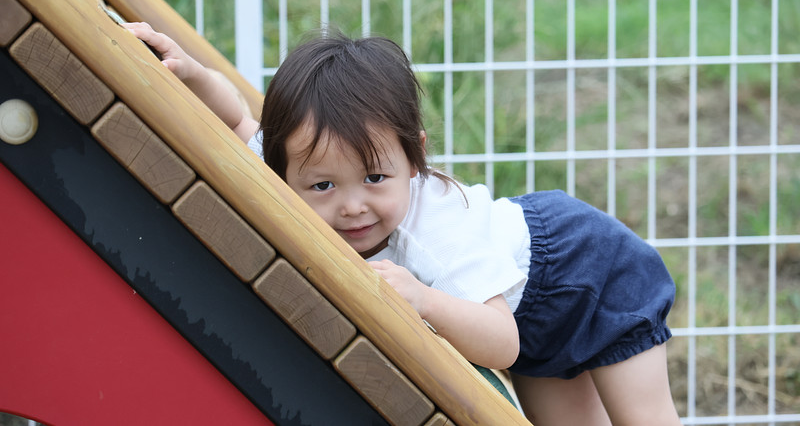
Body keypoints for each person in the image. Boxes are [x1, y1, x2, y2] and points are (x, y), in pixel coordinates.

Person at [125, 22, 682, 426]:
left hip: (587, 274)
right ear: (288, 173)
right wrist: (190, 71)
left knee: (645, 420)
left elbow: (503, 341)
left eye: (374, 178)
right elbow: (240, 120)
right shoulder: (294, 169)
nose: (352, 207)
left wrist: (422, 300)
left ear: (415, 157)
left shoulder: (434, 233)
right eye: (324, 186)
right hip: (525, 306)